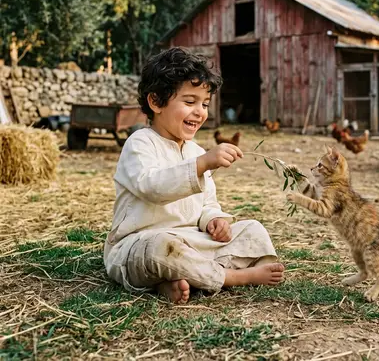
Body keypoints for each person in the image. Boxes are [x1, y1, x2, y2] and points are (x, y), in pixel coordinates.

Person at [104, 47, 284, 304]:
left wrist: (214, 220)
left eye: (204, 104)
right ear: (156, 102)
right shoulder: (139, 144)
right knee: (161, 250)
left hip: (191, 242)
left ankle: (172, 282)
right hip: (140, 243)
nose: (200, 111)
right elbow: (151, 187)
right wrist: (200, 165)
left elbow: (207, 202)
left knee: (252, 230)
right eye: (189, 102)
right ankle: (234, 277)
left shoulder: (195, 150)